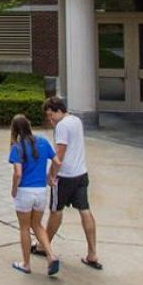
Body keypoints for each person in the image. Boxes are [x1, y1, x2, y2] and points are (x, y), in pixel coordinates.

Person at [36, 96, 102, 270]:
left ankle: (44, 245)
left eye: (51, 115)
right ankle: (92, 253)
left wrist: (51, 175)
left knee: (56, 211)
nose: (50, 120)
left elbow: (60, 153)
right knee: (85, 210)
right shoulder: (76, 120)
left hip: (64, 176)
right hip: (81, 173)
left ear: (58, 110)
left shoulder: (62, 126)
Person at [7, 115, 60, 276]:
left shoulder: (17, 148)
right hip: (40, 192)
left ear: (15, 130)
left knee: (24, 227)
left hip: (25, 192)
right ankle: (50, 255)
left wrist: (14, 189)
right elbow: (57, 162)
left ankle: (26, 264)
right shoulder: (43, 142)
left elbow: (18, 173)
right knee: (37, 225)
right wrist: (51, 177)